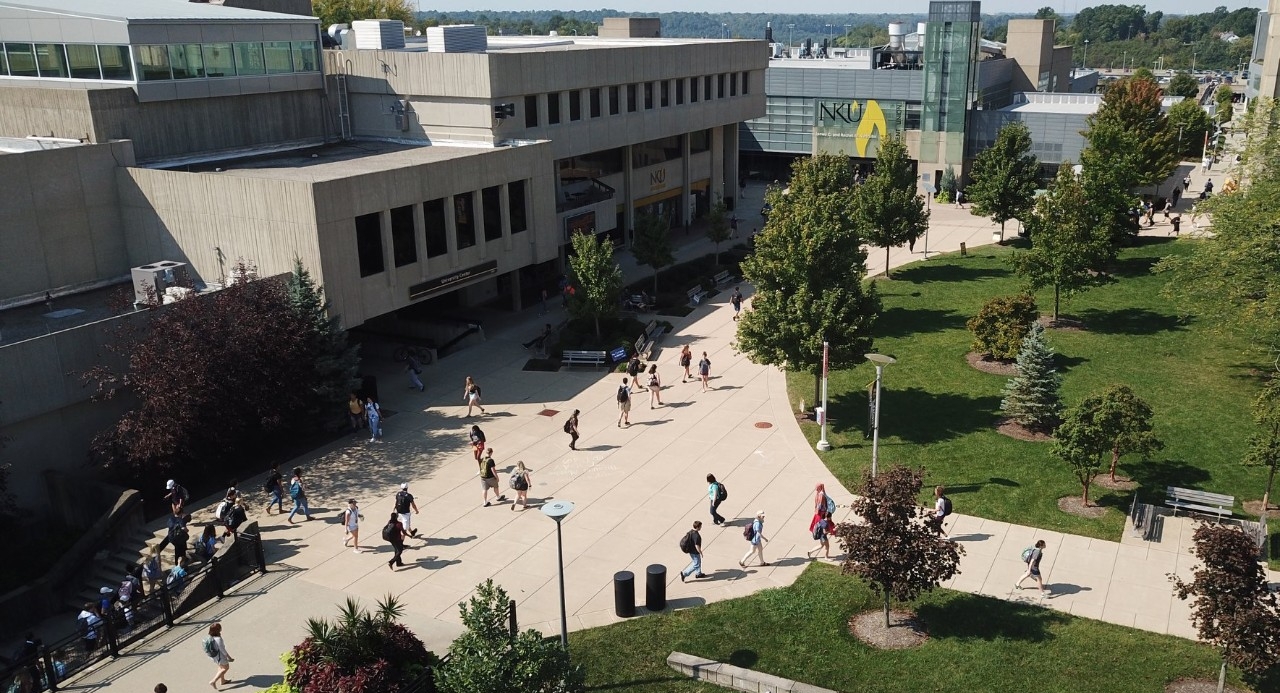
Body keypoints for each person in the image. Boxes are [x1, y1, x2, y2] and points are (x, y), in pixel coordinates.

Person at [205, 622, 234, 689]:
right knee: (225, 668)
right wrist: (229, 657)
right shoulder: (218, 639)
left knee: (221, 667)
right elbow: (223, 650)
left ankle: (222, 680)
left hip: (214, 656)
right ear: (218, 630)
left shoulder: (210, 637)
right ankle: (213, 681)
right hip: (220, 657)